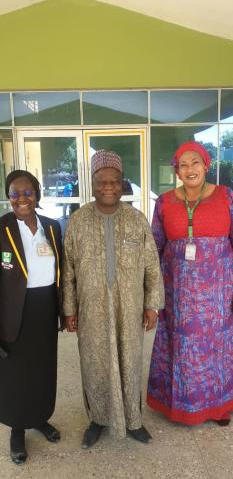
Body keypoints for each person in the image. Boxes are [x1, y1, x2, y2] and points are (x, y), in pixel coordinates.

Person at [62, 149, 164, 448]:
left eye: (115, 180)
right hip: (91, 309)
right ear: (92, 183)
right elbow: (67, 269)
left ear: (123, 183)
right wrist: (69, 309)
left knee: (130, 361)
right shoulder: (78, 221)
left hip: (129, 308)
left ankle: (134, 420)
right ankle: (97, 420)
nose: (109, 186)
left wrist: (151, 304)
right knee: (94, 365)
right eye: (102, 181)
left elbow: (151, 266)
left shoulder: (136, 219)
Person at [147, 141, 233, 426]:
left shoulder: (226, 197)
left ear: (206, 165)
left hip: (218, 297)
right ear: (177, 171)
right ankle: (177, 405)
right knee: (181, 350)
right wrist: (151, 292)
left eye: (195, 162)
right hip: (178, 297)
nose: (189, 169)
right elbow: (154, 248)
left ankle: (218, 408)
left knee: (216, 351)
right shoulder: (165, 202)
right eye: (182, 165)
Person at [0, 170, 62, 464]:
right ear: (8, 196)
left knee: (42, 368)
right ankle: (17, 428)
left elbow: (61, 270)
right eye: (15, 193)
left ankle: (39, 417)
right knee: (16, 374)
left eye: (27, 193)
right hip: (13, 313)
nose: (21, 199)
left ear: (37, 194)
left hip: (45, 309)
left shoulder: (51, 227)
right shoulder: (2, 227)